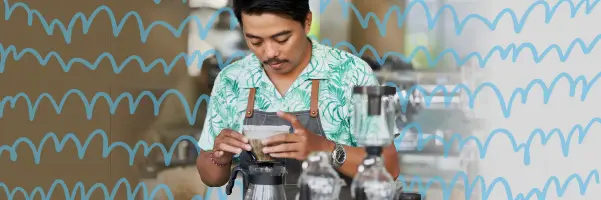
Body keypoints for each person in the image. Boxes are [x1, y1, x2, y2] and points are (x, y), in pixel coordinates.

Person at [195, 0, 401, 199]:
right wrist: (219, 156)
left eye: (282, 39)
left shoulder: (354, 73)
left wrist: (324, 148)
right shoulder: (231, 79)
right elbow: (211, 177)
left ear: (307, 22)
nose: (270, 53)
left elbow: (390, 167)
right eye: (255, 41)